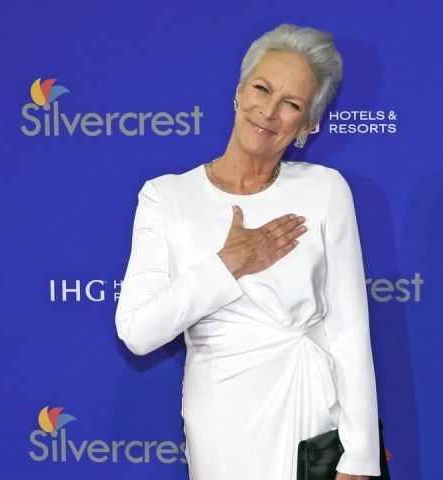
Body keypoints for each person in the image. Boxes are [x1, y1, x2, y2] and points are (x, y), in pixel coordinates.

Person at [115, 23, 381, 480]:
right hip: (221, 420)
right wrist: (229, 264)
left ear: (308, 124)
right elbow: (138, 332)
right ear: (239, 92)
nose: (269, 111)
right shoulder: (166, 197)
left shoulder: (325, 191)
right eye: (262, 88)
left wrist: (360, 457)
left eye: (292, 104)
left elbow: (349, 330)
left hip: (312, 409)